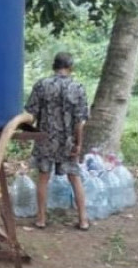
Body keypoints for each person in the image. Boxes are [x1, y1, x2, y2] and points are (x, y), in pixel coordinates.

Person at [25, 52, 90, 230]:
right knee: (75, 178)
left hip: (45, 139)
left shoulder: (41, 85)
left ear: (54, 66)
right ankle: (83, 220)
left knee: (43, 178)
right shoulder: (78, 87)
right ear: (71, 67)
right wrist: (78, 144)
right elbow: (79, 122)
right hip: (68, 141)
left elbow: (30, 114)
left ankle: (41, 219)